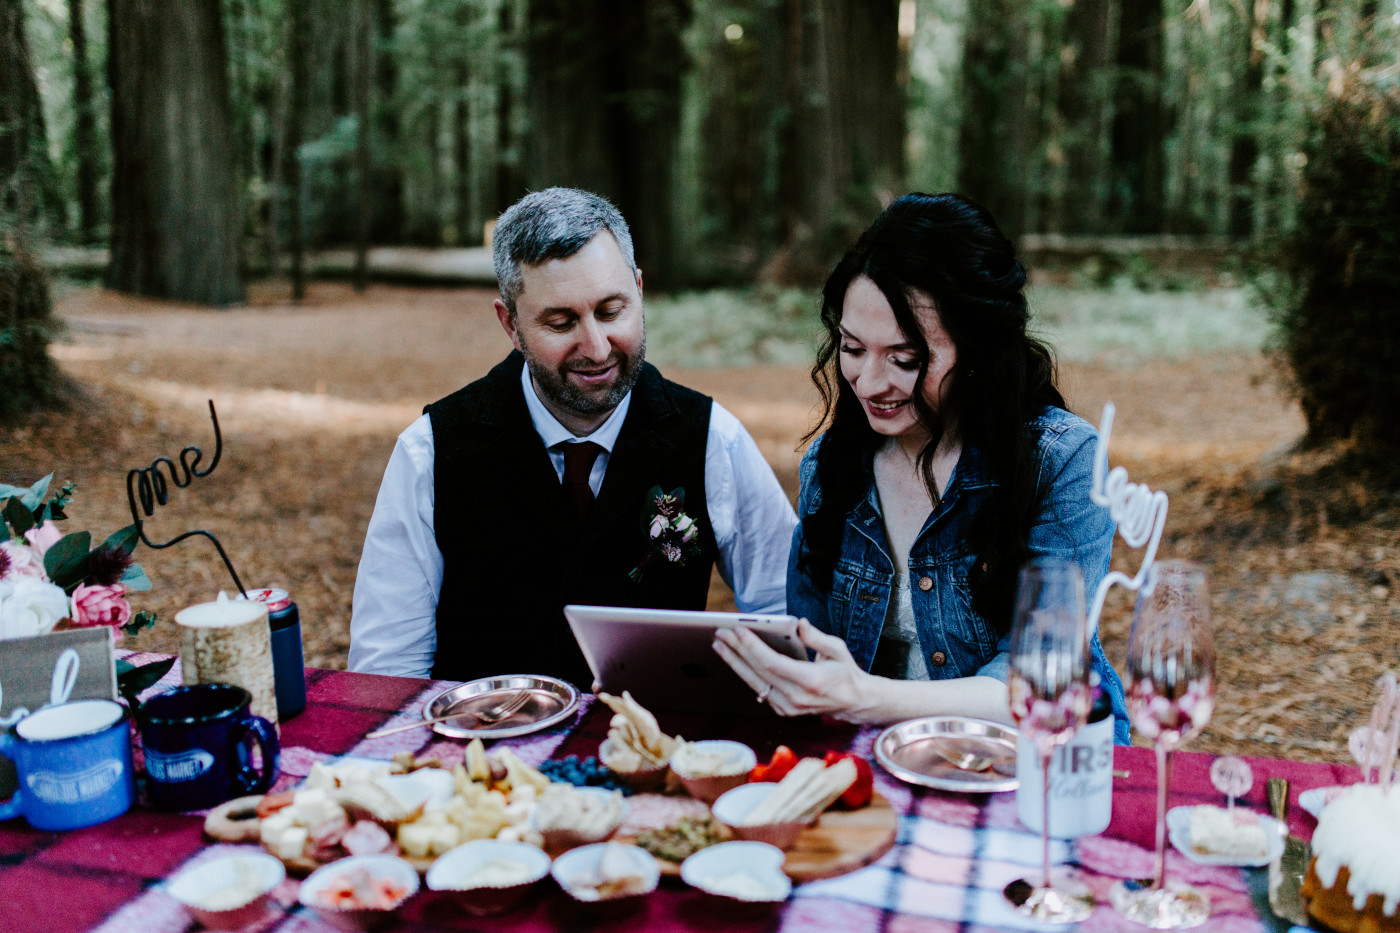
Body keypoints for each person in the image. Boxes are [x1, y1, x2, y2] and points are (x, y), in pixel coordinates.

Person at [714, 192, 1131, 743]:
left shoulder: (1062, 460)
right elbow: (812, 647)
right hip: (884, 763)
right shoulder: (832, 466)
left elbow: (1039, 678)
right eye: (852, 348)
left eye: (905, 359)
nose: (868, 382)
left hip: (1036, 765)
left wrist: (865, 697)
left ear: (978, 348)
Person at [350, 187, 796, 685]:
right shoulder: (431, 452)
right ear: (510, 325)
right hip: (481, 753)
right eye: (561, 322)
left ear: (640, 292)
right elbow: (386, 673)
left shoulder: (714, 440)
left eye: (611, 312)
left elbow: (786, 619)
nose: (597, 346)